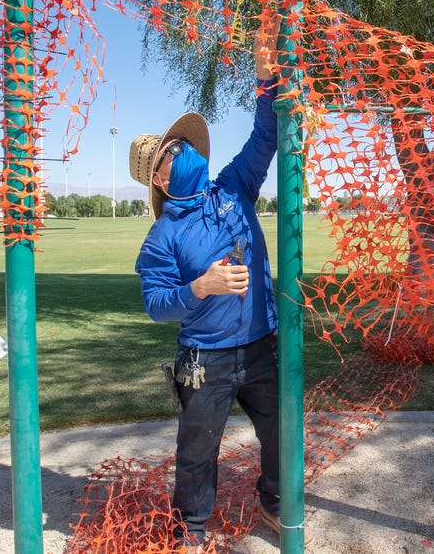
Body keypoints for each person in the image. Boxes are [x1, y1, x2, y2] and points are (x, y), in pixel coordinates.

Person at [130, 28, 281, 551]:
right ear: (161, 181)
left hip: (263, 346)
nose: (182, 150)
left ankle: (275, 502)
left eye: (181, 144)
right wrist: (201, 285)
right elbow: (155, 304)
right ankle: (190, 532)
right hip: (205, 361)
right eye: (170, 152)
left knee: (282, 435)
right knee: (197, 453)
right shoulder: (160, 238)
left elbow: (266, 136)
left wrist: (265, 80)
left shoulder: (234, 186)